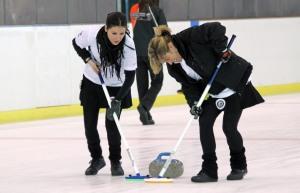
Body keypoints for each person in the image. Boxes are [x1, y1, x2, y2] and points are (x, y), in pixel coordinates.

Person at [148, 23, 264, 182]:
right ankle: (209, 171)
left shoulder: (190, 37)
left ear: (170, 47)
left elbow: (217, 28)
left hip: (234, 83)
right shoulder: (174, 68)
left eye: (167, 58)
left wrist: (221, 49)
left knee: (229, 127)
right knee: (205, 122)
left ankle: (239, 166)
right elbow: (189, 87)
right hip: (216, 91)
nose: (169, 63)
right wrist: (195, 104)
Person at [72, 12, 137, 176]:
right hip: (93, 82)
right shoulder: (92, 34)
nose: (118, 37)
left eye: (122, 33)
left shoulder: (128, 45)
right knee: (89, 125)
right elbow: (76, 43)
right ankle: (96, 159)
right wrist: (88, 59)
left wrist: (118, 100)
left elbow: (130, 77)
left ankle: (116, 161)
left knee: (112, 125)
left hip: (117, 87)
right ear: (106, 28)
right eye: (114, 33)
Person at [130, 0, 167, 125]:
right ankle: (144, 107)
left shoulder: (134, 10)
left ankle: (145, 115)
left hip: (137, 52)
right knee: (157, 81)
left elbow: (136, 25)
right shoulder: (157, 11)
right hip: (153, 52)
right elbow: (164, 32)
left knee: (142, 85)